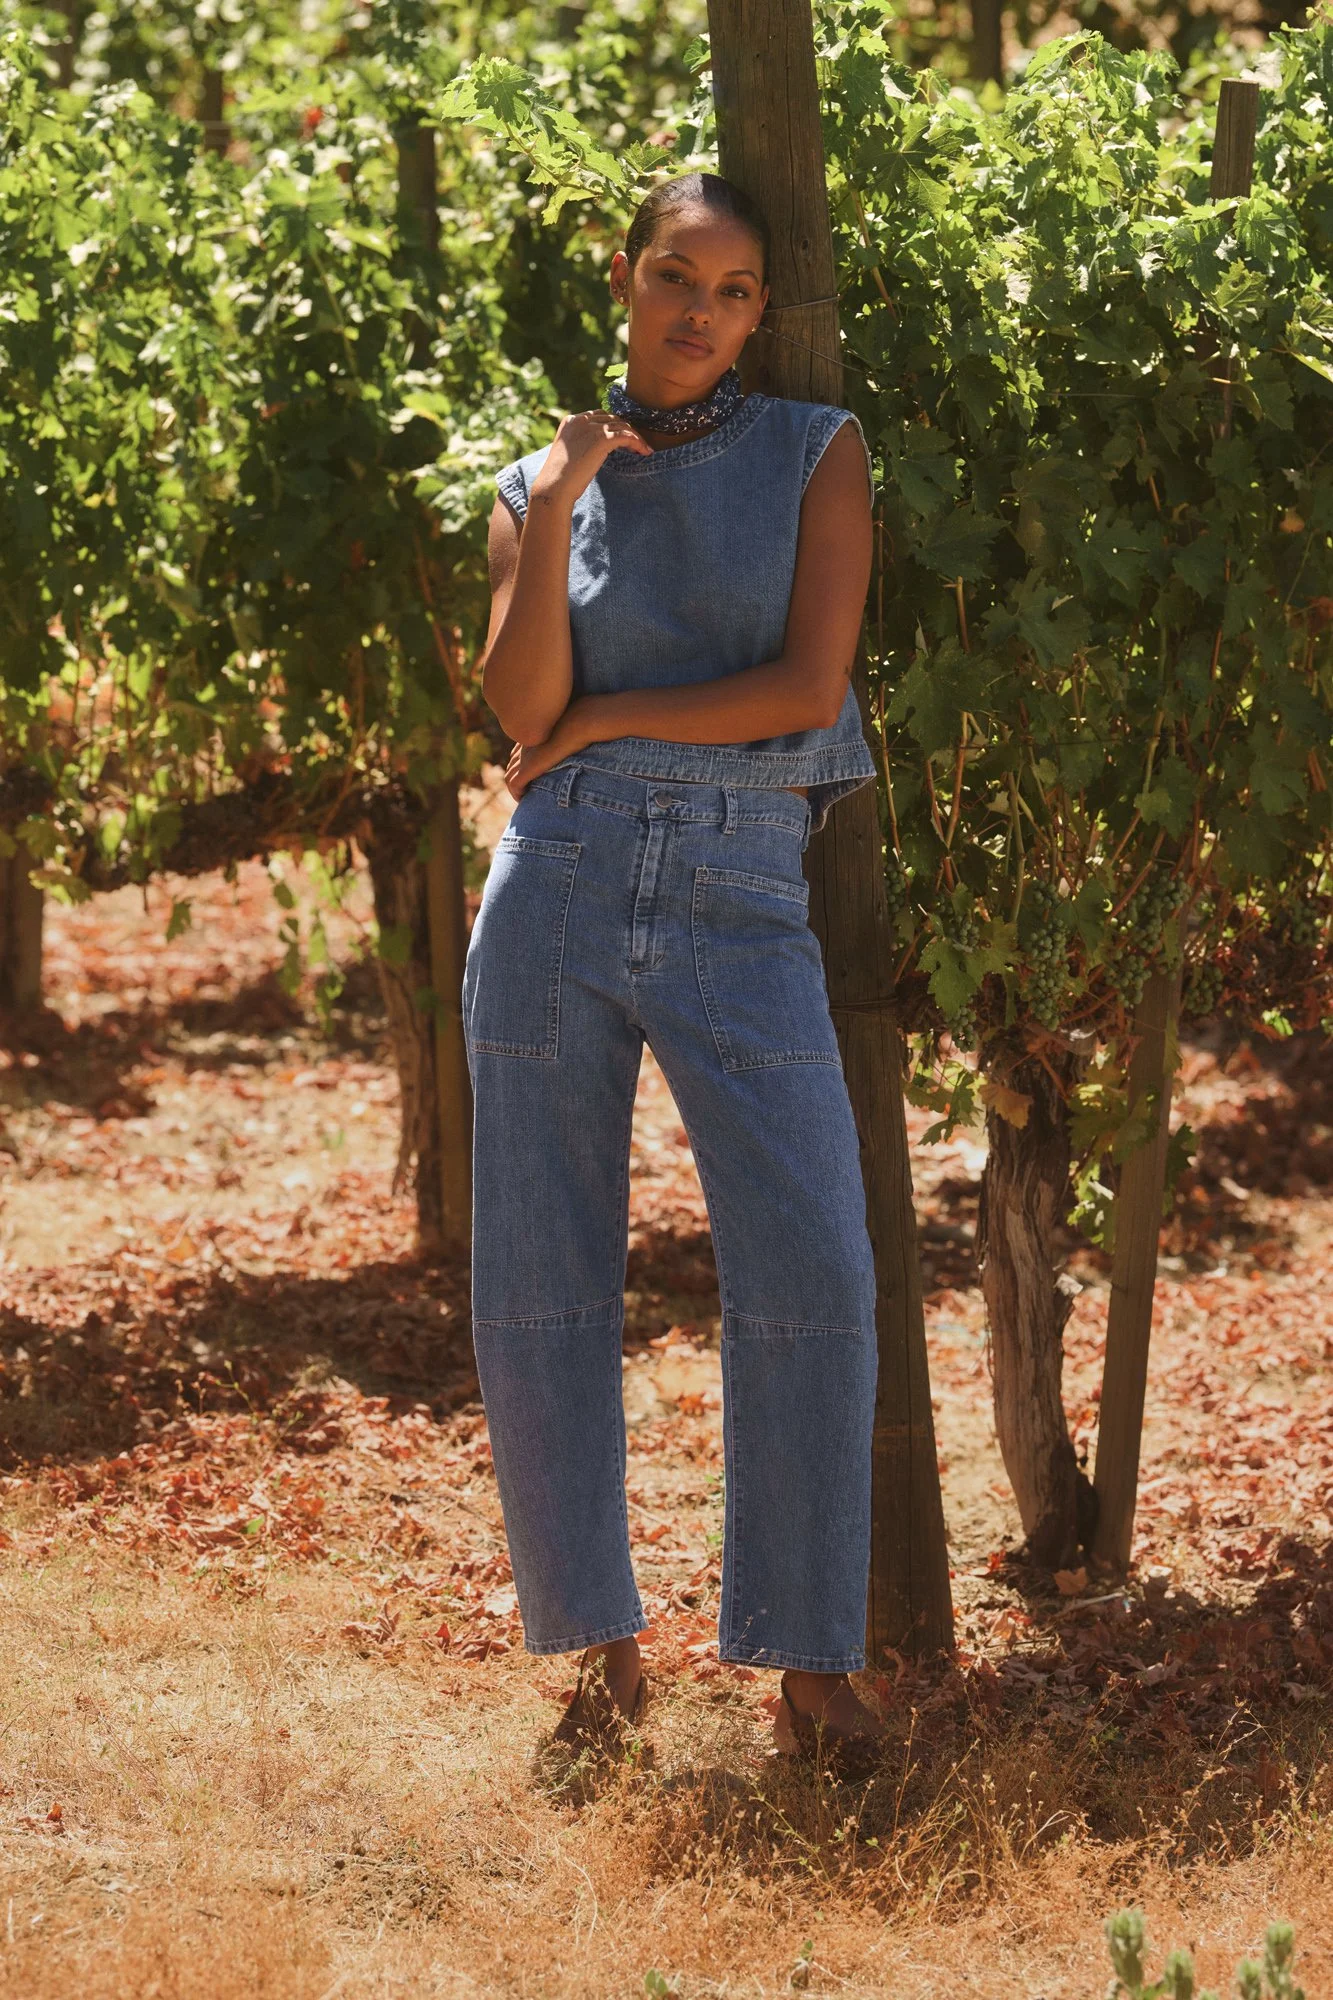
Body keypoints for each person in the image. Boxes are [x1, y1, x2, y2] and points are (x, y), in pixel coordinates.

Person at [463, 169, 887, 1766]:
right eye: (673, 277)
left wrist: (612, 717)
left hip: (738, 882)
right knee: (541, 1282)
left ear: (761, 313)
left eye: (731, 290)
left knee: (816, 1268)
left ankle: (807, 1664)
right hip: (556, 891)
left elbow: (807, 687)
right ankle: (601, 1654)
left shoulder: (817, 453)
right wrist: (566, 491)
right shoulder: (532, 484)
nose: (698, 312)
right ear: (624, 278)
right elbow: (520, 710)